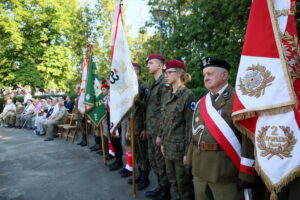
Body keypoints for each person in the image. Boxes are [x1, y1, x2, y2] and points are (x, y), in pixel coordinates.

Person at [185, 57, 257, 200]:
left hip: (225, 172)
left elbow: (248, 138)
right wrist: (189, 161)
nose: (206, 78)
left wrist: (247, 173)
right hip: (199, 170)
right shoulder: (202, 102)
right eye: (204, 75)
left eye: (210, 74)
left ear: (224, 75)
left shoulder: (239, 101)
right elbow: (195, 134)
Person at [160, 59, 195, 200]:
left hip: (180, 150)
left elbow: (190, 127)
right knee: (173, 181)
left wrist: (188, 153)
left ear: (180, 73)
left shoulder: (188, 95)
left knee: (184, 185)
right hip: (167, 147)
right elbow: (164, 122)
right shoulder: (167, 95)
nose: (166, 75)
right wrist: (162, 142)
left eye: (169, 72)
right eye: (165, 73)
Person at [142, 53, 170, 200]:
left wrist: (161, 134)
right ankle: (160, 187)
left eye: (151, 63)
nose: (148, 66)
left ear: (159, 65)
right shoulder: (153, 84)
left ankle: (165, 192)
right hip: (151, 130)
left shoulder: (164, 83)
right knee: (154, 161)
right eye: (148, 63)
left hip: (159, 131)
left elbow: (165, 111)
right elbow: (150, 109)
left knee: (161, 162)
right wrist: (146, 129)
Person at [125, 62, 150, 191]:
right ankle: (140, 174)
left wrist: (146, 128)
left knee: (142, 152)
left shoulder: (144, 85)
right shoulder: (131, 87)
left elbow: (148, 107)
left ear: (137, 71)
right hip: (133, 124)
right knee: (137, 153)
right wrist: (129, 129)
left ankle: (145, 178)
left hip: (141, 125)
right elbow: (130, 111)